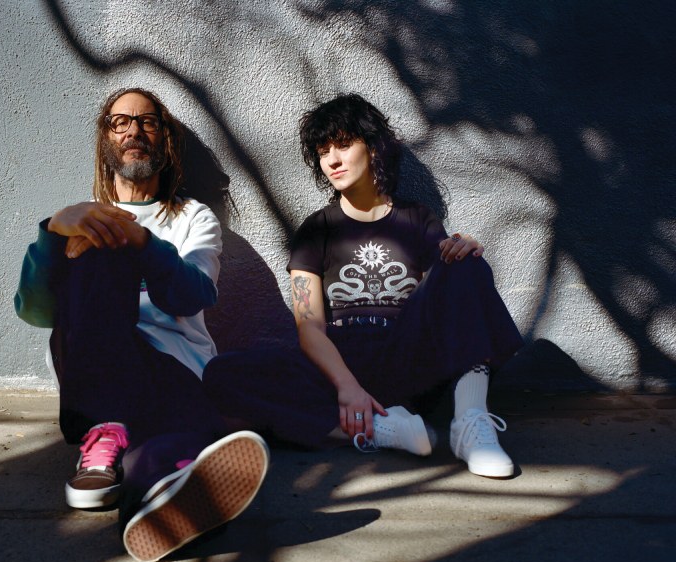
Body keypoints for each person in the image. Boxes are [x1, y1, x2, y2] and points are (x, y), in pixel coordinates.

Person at [204, 93, 524, 478]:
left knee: (464, 260)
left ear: (372, 148)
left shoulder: (417, 219)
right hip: (341, 360)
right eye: (323, 151)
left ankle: (470, 422)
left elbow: (447, 300)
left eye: (343, 145)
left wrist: (461, 251)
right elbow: (309, 327)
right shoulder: (316, 230)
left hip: (404, 354)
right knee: (223, 374)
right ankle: (385, 429)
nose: (332, 160)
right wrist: (348, 387)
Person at [14, 88, 269, 562]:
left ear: (164, 139)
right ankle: (113, 433)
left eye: (148, 122)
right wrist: (51, 232)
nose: (134, 130)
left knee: (162, 449)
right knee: (101, 240)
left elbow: (192, 295)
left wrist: (142, 242)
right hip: (94, 371)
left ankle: (155, 495)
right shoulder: (80, 217)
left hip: (171, 370)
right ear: (106, 138)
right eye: (121, 122)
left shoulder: (193, 218)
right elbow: (36, 311)